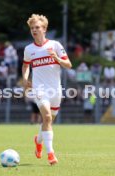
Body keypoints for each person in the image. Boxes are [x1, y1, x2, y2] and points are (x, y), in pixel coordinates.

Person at [22, 14, 72, 165]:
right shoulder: (29, 49)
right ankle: (51, 154)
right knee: (48, 118)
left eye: (37, 27)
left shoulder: (55, 45)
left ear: (44, 29)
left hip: (55, 90)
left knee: (48, 120)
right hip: (40, 89)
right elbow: (25, 65)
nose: (34, 30)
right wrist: (25, 78)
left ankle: (38, 140)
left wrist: (56, 58)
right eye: (32, 28)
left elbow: (68, 64)